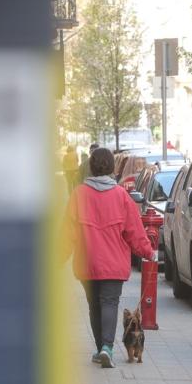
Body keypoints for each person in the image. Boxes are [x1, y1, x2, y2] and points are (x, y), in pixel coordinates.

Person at [61, 148, 154, 368]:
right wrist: (148, 252)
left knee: (94, 306)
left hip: (87, 263)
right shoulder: (121, 195)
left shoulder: (79, 194)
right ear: (112, 167)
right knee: (110, 303)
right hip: (113, 263)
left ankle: (100, 348)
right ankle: (107, 348)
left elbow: (67, 232)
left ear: (91, 167)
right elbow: (134, 230)